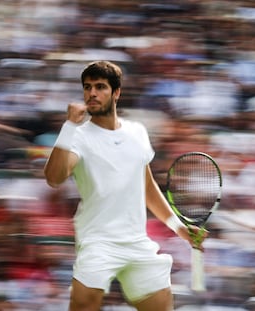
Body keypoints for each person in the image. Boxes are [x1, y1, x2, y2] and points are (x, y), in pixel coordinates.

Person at [44, 60, 205, 311]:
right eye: (87, 87)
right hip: (98, 243)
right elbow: (54, 178)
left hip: (137, 243)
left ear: (116, 93)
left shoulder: (137, 131)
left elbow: (147, 187)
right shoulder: (77, 136)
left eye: (100, 87)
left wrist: (179, 228)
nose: (92, 93)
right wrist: (68, 127)